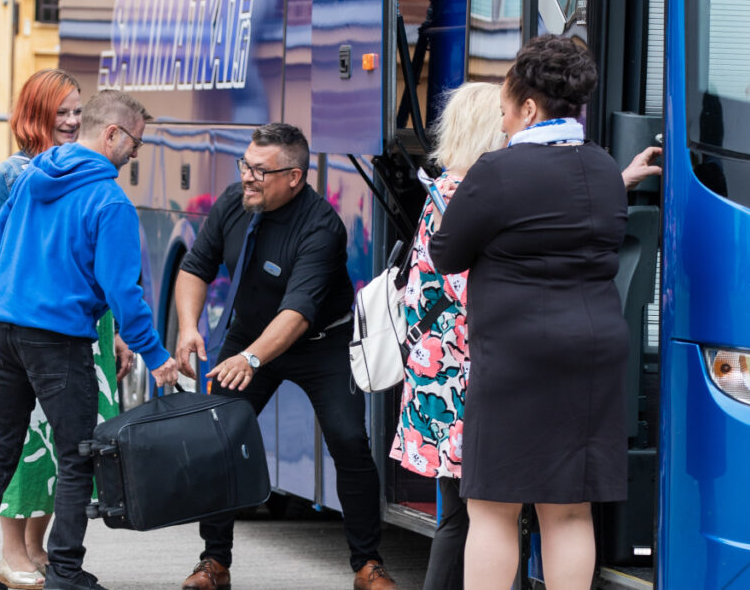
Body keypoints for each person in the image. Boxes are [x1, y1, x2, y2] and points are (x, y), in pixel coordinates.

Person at [0, 90, 178, 590]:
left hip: (5, 332)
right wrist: (155, 354)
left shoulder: (32, 178)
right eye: (134, 143)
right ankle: (66, 572)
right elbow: (123, 290)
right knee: (77, 456)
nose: (135, 154)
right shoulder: (110, 201)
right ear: (112, 133)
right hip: (59, 339)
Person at [429, 34, 630, 590]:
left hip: (519, 355)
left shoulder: (499, 171)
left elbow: (446, 253)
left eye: (506, 112)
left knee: (493, 506)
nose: (505, 124)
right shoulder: (604, 169)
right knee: (568, 508)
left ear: (530, 107)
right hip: (593, 353)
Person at [172, 123, 398, 590]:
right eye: (246, 165)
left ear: (294, 176)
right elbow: (195, 266)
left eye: (260, 170)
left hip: (320, 346)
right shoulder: (234, 203)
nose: (248, 177)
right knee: (219, 437)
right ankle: (214, 563)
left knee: (349, 441)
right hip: (250, 337)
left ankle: (367, 565)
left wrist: (251, 360)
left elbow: (298, 313)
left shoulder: (321, 226)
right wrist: (190, 327)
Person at [389, 82, 506, 590]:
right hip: (464, 377)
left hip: (435, 372)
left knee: (457, 515)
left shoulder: (442, 189)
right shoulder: (473, 199)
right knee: (475, 517)